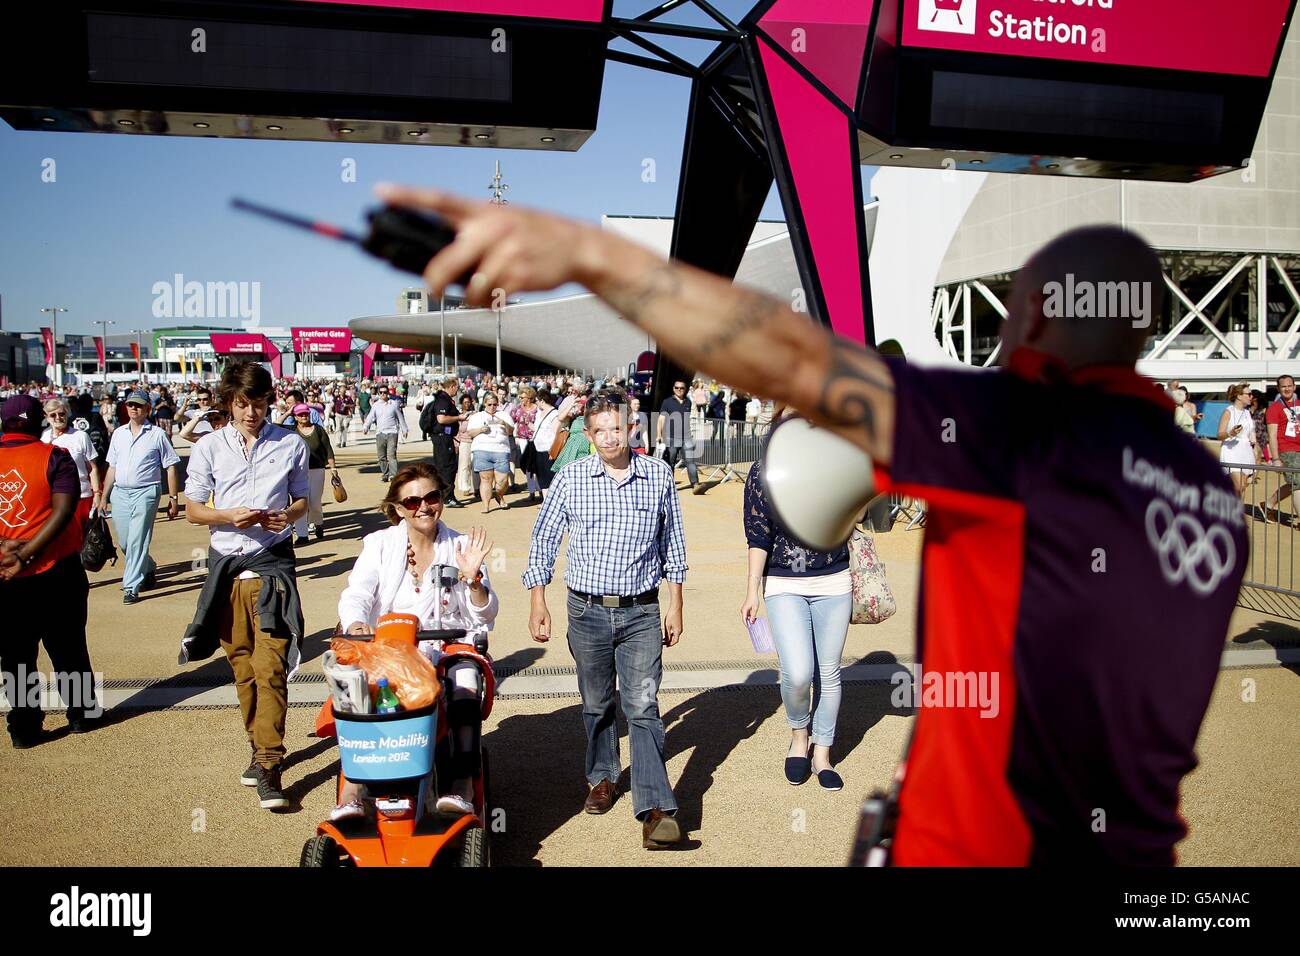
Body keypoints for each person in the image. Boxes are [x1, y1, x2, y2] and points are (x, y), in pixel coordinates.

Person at [386, 183, 1247, 866]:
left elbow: (786, 354)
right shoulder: (1210, 489)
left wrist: (586, 252)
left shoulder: (1019, 426)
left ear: (1035, 318)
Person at [523, 388, 687, 849]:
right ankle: (602, 775)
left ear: (630, 426)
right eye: (600, 431)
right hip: (587, 610)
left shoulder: (657, 475)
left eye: (617, 428)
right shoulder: (571, 478)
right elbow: (543, 540)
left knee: (642, 705)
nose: (610, 437)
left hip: (642, 610)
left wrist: (675, 602)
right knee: (597, 704)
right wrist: (539, 599)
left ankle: (657, 810)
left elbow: (672, 542)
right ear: (588, 433)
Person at [180, 362, 310, 811]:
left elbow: (302, 501)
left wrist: (287, 517)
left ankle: (271, 763)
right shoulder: (210, 448)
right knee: (242, 668)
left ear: (268, 400)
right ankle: (259, 749)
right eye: (242, 404)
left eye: (258, 403)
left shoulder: (291, 442)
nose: (251, 412)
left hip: (274, 567)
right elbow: (194, 509)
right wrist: (226, 515)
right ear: (228, 403)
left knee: (270, 665)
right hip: (228, 569)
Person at [336, 462, 498, 819]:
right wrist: (358, 622)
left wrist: (473, 581)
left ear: (441, 499)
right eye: (411, 502)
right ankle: (351, 789)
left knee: (465, 683)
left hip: (446, 647)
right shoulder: (379, 544)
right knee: (352, 688)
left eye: (432, 497)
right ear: (397, 509)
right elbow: (357, 592)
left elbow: (484, 616)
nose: (423, 507)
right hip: (391, 648)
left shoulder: (460, 545)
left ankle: (463, 786)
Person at [741, 420, 851, 791]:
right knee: (799, 672)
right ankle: (799, 737)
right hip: (784, 582)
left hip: (834, 579)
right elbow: (758, 533)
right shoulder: (762, 472)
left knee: (830, 671)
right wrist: (752, 589)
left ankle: (823, 753)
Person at [0, 395, 100, 748]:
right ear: (35, 423)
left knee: (15, 655)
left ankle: (23, 727)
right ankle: (81, 714)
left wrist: (6, 549)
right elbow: (63, 510)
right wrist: (27, 552)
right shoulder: (53, 456)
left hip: (7, 578)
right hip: (56, 568)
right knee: (68, 646)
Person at [101, 389, 180, 605]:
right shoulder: (118, 434)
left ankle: (131, 586)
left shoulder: (157, 434)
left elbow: (171, 467)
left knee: (137, 540)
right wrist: (103, 496)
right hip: (120, 492)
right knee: (126, 541)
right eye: (130, 405)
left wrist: (173, 498)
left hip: (146, 491)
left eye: (138, 405)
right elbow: (112, 467)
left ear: (148, 409)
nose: (133, 408)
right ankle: (148, 566)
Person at [42, 397, 101, 536]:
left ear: (67, 413)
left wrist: (97, 494)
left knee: (84, 542)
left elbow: (93, 468)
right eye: (53, 415)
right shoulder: (44, 437)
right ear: (46, 417)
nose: (58, 418)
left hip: (81, 497)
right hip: (55, 499)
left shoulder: (80, 436)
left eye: (62, 414)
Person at [287, 403, 337, 543]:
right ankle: (302, 535)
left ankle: (318, 523)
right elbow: (275, 425)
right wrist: (287, 412)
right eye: (300, 414)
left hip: (317, 470)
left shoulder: (318, 430)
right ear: (295, 417)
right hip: (298, 472)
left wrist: (333, 470)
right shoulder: (291, 431)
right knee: (300, 502)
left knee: (314, 502)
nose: (304, 416)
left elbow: (328, 449)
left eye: (306, 413)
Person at [420, 376, 466, 508]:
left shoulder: (444, 399)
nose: (458, 390)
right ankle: (447, 497)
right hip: (442, 438)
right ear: (451, 386)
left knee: (446, 466)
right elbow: (441, 419)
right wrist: (459, 417)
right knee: (447, 467)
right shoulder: (443, 400)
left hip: (444, 437)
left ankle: (445, 496)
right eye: (457, 387)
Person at [467, 392, 514, 513]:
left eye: (495, 404)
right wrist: (481, 430)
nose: (492, 407)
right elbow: (470, 433)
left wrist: (503, 423)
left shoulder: (503, 415)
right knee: (486, 479)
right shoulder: (477, 416)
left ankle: (499, 495)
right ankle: (486, 505)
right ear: (484, 404)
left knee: (502, 481)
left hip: (501, 450)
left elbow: (511, 431)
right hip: (482, 450)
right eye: (489, 404)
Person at [1263, 374, 1300, 522]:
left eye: (1289, 386)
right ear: (1279, 389)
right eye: (1283, 386)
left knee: (1294, 482)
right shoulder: (1274, 408)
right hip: (1287, 450)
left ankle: (1269, 504)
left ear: (1294, 387)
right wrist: (1276, 458)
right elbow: (1272, 435)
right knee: (1297, 483)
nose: (1287, 389)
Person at [656, 379, 700, 492]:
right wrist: (658, 435)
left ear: (685, 390)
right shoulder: (667, 402)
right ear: (673, 389)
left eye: (681, 388)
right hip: (671, 437)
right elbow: (661, 419)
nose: (679, 390)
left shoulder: (688, 402)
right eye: (677, 388)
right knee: (670, 462)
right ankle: (668, 485)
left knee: (690, 461)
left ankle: (695, 484)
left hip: (686, 437)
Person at [1217, 382, 1256, 497]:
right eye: (1249, 394)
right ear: (1239, 396)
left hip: (1246, 451)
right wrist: (1231, 433)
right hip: (1231, 451)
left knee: (1242, 487)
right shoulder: (1228, 412)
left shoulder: (1247, 413)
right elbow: (1220, 434)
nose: (1251, 397)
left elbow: (1250, 433)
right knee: (1238, 486)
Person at [362, 388, 408, 483]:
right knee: (381, 456)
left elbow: (400, 417)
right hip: (380, 433)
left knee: (391, 455)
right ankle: (385, 473)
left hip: (392, 432)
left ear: (388, 393)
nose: (383, 394)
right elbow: (370, 417)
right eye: (381, 392)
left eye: (385, 392)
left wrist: (404, 429)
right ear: (379, 394)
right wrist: (366, 427)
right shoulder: (375, 405)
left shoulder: (394, 404)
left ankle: (393, 475)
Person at [511, 385, 541, 503]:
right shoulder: (518, 409)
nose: (521, 399)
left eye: (523, 397)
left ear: (529, 397)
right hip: (523, 439)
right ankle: (532, 491)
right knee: (528, 467)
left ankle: (541, 491)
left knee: (537, 466)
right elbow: (511, 422)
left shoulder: (537, 409)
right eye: (520, 397)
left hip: (536, 439)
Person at [454, 395, 477, 501]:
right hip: (464, 442)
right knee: (464, 465)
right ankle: (465, 487)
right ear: (462, 404)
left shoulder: (475, 415)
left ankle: (477, 487)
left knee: (475, 465)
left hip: (475, 442)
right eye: (465, 402)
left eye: (468, 402)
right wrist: (456, 444)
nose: (467, 404)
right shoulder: (459, 416)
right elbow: (456, 431)